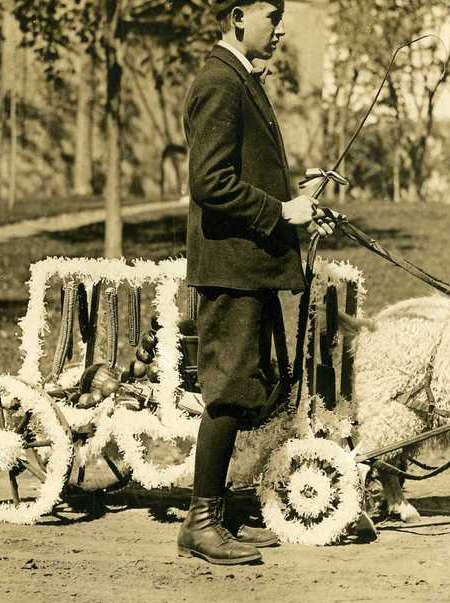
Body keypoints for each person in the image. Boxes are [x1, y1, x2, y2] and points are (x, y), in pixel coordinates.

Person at [178, 0, 334, 565]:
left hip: (247, 266)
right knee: (226, 391)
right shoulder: (219, 82)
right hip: (230, 268)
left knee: (245, 385)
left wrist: (296, 197)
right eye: (272, 14)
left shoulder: (241, 79)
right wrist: (282, 212)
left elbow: (243, 174)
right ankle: (201, 524)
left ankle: (217, 515)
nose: (281, 26)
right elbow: (211, 184)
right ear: (238, 15)